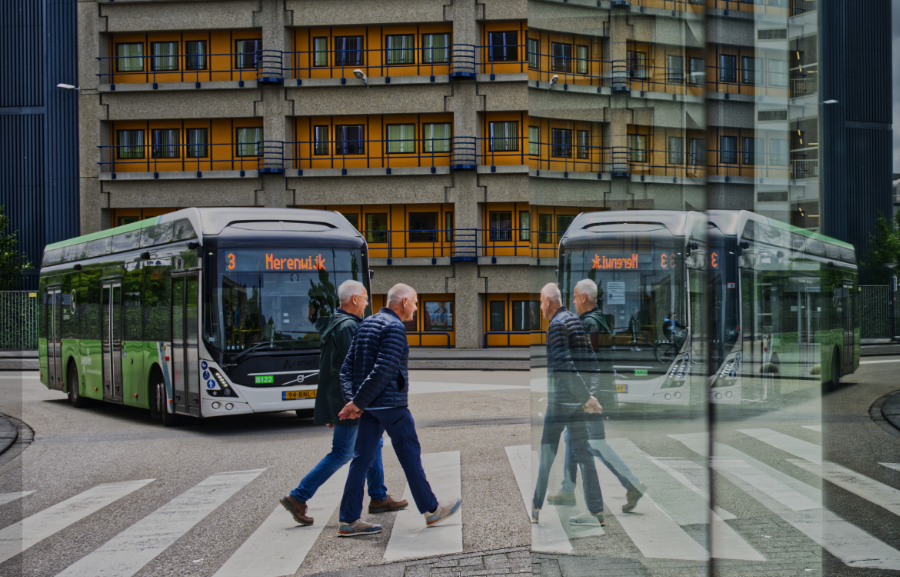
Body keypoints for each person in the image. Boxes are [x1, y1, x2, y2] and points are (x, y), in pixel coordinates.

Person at [335, 283, 461, 537]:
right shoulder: (394, 327)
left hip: (370, 406)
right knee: (409, 455)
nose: (416, 308)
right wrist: (357, 403)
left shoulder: (366, 324)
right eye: (415, 303)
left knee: (361, 459)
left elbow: (346, 369)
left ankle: (348, 520)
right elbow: (384, 369)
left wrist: (355, 401)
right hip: (391, 405)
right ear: (404, 302)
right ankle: (432, 510)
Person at [279, 280, 407, 526]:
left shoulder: (337, 324)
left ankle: (379, 496)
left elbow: (330, 369)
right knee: (342, 453)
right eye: (366, 298)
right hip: (351, 403)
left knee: (374, 443)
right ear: (355, 300)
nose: (368, 302)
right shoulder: (348, 326)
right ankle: (298, 496)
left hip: (344, 400)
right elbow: (359, 368)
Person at [548, 279, 646, 514]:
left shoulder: (587, 324)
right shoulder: (600, 320)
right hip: (597, 392)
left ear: (583, 298)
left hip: (590, 395)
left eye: (574, 296)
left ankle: (632, 484)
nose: (572, 301)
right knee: (574, 439)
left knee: (595, 444)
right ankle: (568, 490)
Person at [532, 283, 606, 527]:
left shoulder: (556, 325)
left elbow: (564, 366)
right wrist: (588, 398)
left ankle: (535, 507)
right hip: (576, 404)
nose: (540, 307)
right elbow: (592, 365)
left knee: (547, 453)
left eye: (541, 302)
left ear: (549, 302)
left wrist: (586, 398)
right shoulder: (575, 320)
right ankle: (597, 511)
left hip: (560, 403)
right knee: (585, 456)